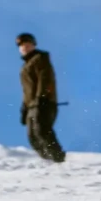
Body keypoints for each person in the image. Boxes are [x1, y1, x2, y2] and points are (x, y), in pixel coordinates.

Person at [16, 33, 66, 163]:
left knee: (42, 131)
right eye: (21, 46)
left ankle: (58, 159)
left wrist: (42, 97)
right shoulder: (25, 67)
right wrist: (24, 107)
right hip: (32, 105)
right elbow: (27, 90)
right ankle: (48, 161)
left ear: (33, 45)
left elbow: (45, 79)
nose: (24, 48)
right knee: (32, 137)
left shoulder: (40, 58)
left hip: (44, 102)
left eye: (27, 44)